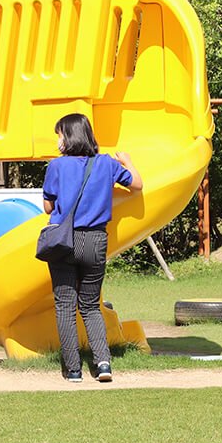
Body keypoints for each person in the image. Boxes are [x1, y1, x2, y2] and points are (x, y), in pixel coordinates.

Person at [42, 112, 142, 383]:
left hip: (64, 241)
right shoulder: (106, 164)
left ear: (69, 136)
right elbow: (136, 185)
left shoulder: (57, 167)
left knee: (65, 305)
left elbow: (48, 207)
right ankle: (103, 363)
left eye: (60, 134)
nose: (58, 140)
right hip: (95, 241)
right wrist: (128, 162)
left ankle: (73, 370)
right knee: (90, 305)